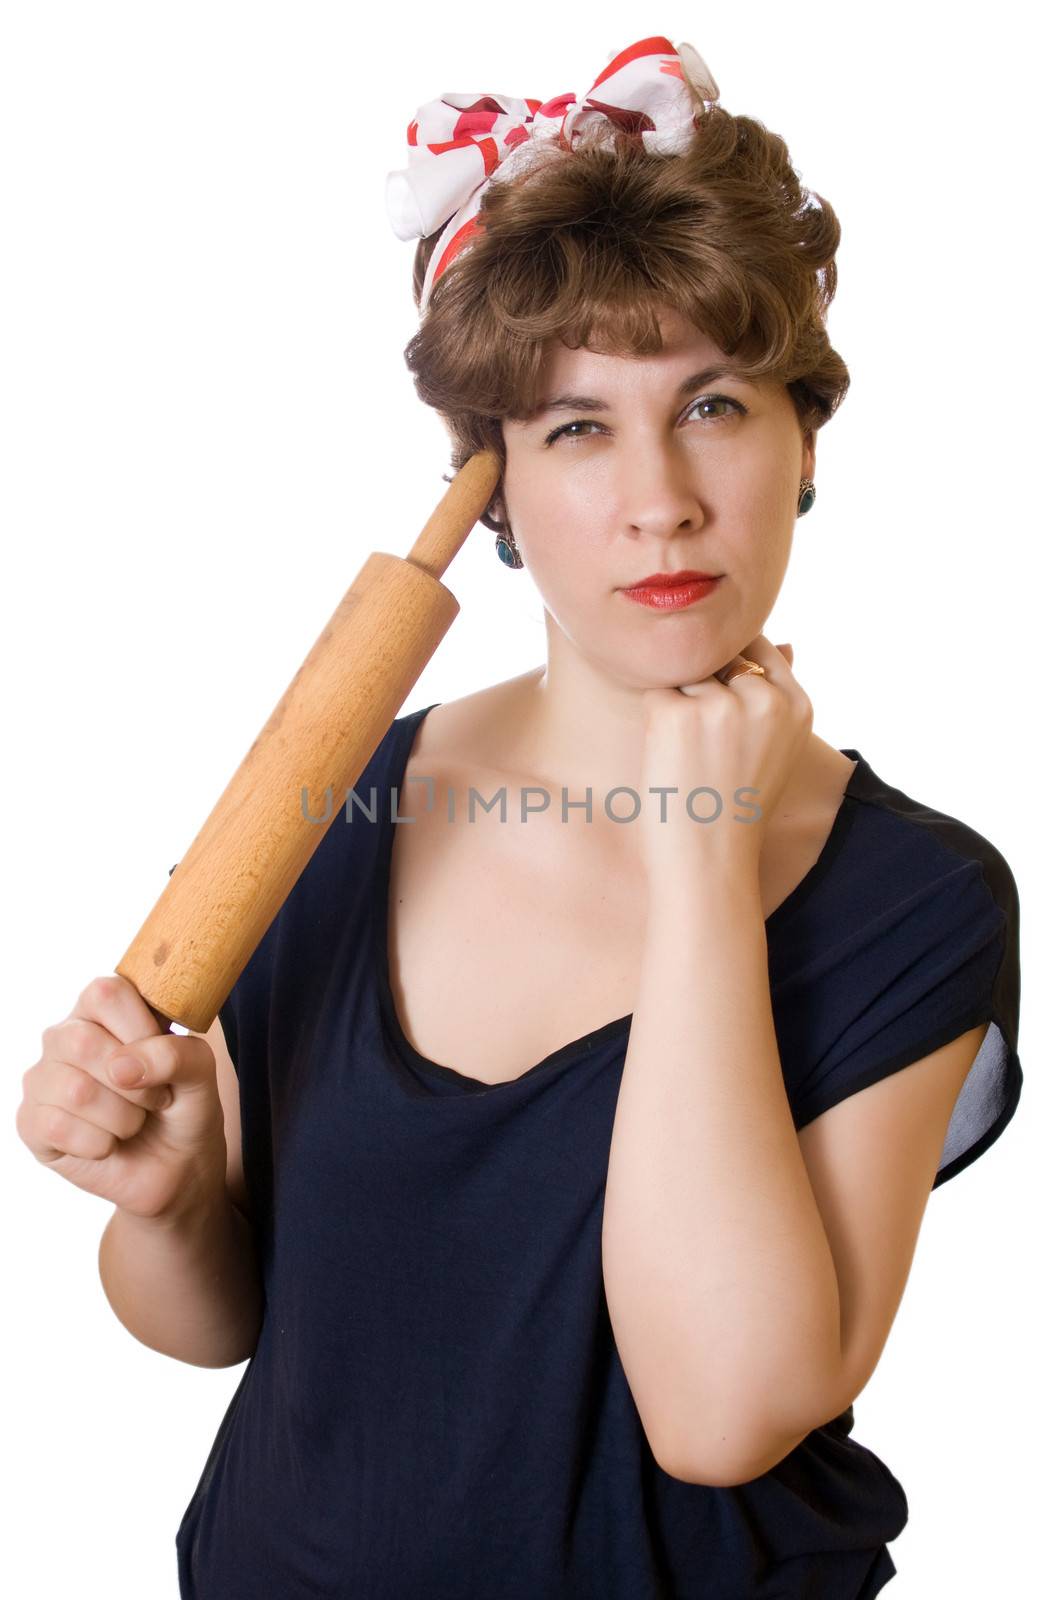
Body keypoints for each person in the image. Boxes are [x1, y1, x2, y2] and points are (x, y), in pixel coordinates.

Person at [15, 35, 1023, 1600]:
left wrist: (701, 864)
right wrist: (171, 1196)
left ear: (804, 440)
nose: (658, 500)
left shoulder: (918, 898)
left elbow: (725, 1413)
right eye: (574, 428)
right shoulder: (330, 796)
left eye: (714, 405)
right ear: (492, 490)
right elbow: (209, 1323)